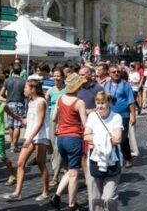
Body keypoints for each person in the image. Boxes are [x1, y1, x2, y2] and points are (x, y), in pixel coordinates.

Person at [5, 79, 51, 202]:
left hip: (40, 137)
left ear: (33, 89)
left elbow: (40, 123)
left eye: (26, 87)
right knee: (20, 163)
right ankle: (17, 192)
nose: (23, 90)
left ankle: (45, 192)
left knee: (41, 164)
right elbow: (28, 121)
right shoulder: (30, 101)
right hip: (30, 136)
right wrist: (14, 115)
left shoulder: (41, 102)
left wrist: (30, 137)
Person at [49, 73, 87, 211]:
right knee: (74, 173)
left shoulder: (60, 98)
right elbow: (85, 123)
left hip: (61, 139)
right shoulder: (79, 102)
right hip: (73, 138)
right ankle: (72, 204)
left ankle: (57, 196)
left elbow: (53, 118)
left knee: (70, 169)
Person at [84, 91, 124, 211]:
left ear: (109, 103)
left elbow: (118, 139)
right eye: (98, 102)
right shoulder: (92, 116)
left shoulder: (116, 117)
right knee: (95, 198)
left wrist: (96, 139)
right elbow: (86, 136)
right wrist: (106, 139)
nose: (100, 106)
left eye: (103, 102)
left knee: (109, 197)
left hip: (113, 160)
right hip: (94, 160)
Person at [103, 64, 136, 167]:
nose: (116, 73)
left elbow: (131, 101)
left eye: (118, 71)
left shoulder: (126, 85)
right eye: (114, 72)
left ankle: (127, 157)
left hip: (123, 115)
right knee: (111, 136)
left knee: (123, 137)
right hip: (110, 114)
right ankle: (114, 156)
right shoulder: (106, 85)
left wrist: (133, 115)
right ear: (109, 73)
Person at [46, 68, 68, 187]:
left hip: (64, 121)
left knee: (58, 149)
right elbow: (44, 104)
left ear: (63, 77)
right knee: (55, 147)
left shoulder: (67, 90)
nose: (56, 78)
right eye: (54, 76)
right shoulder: (50, 91)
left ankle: (55, 175)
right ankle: (64, 167)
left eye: (58, 76)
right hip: (52, 121)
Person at [4, 63, 27, 153]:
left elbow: (1, 93)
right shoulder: (24, 81)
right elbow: (26, 94)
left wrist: (8, 98)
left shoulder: (7, 80)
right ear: (21, 71)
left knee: (11, 125)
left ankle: (12, 144)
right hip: (20, 103)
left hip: (10, 103)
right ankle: (14, 145)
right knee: (17, 125)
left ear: (12, 70)